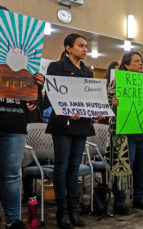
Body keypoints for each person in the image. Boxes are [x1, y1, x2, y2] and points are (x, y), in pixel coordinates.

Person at [45, 33, 102, 229]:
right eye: (80, 45)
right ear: (68, 48)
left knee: (74, 169)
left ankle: (73, 210)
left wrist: (99, 108)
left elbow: (90, 100)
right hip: (62, 124)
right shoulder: (57, 67)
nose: (85, 49)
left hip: (81, 125)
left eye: (86, 46)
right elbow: (52, 96)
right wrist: (69, 109)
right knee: (62, 167)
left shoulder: (88, 72)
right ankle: (62, 212)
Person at [0, 5, 45, 229]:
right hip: (12, 123)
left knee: (11, 175)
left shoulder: (23, 58)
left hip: (15, 122)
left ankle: (13, 221)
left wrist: (36, 87)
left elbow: (35, 105)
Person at [106, 51, 143, 215]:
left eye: (141, 61)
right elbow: (106, 104)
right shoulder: (117, 82)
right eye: (136, 61)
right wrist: (113, 103)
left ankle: (139, 199)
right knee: (123, 168)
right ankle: (119, 202)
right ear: (126, 65)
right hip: (125, 134)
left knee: (142, 167)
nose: (141, 64)